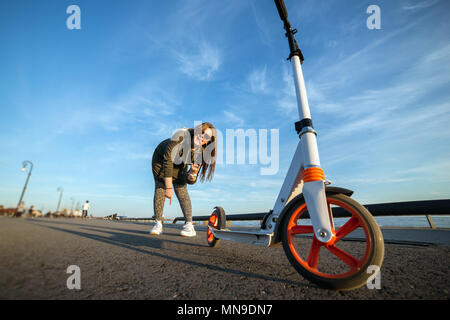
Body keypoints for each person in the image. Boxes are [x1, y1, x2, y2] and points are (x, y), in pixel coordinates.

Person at [150, 122, 217, 237]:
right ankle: (158, 223)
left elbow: (190, 181)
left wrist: (192, 173)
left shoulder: (199, 154)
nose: (201, 136)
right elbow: (168, 162)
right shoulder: (180, 136)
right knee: (161, 186)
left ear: (208, 142)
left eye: (206, 136)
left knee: (181, 188)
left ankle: (189, 226)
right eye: (201, 132)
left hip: (179, 164)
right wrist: (169, 187)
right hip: (161, 161)